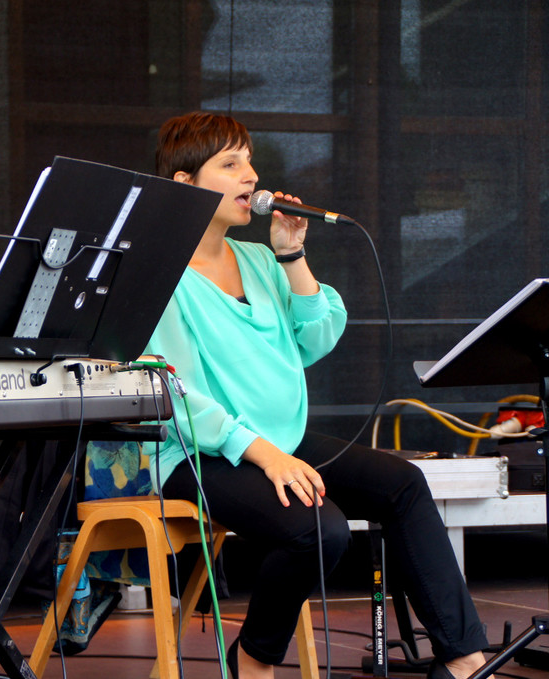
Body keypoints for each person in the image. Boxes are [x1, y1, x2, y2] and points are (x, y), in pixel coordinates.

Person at [145, 111, 490, 679]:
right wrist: (265, 454)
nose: (251, 176)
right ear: (186, 184)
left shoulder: (259, 260)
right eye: (230, 164)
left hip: (281, 441)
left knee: (403, 484)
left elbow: (318, 336)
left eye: (249, 161)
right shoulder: (159, 275)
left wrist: (290, 253)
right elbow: (176, 397)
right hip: (199, 454)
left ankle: (464, 659)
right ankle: (252, 660)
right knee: (319, 529)